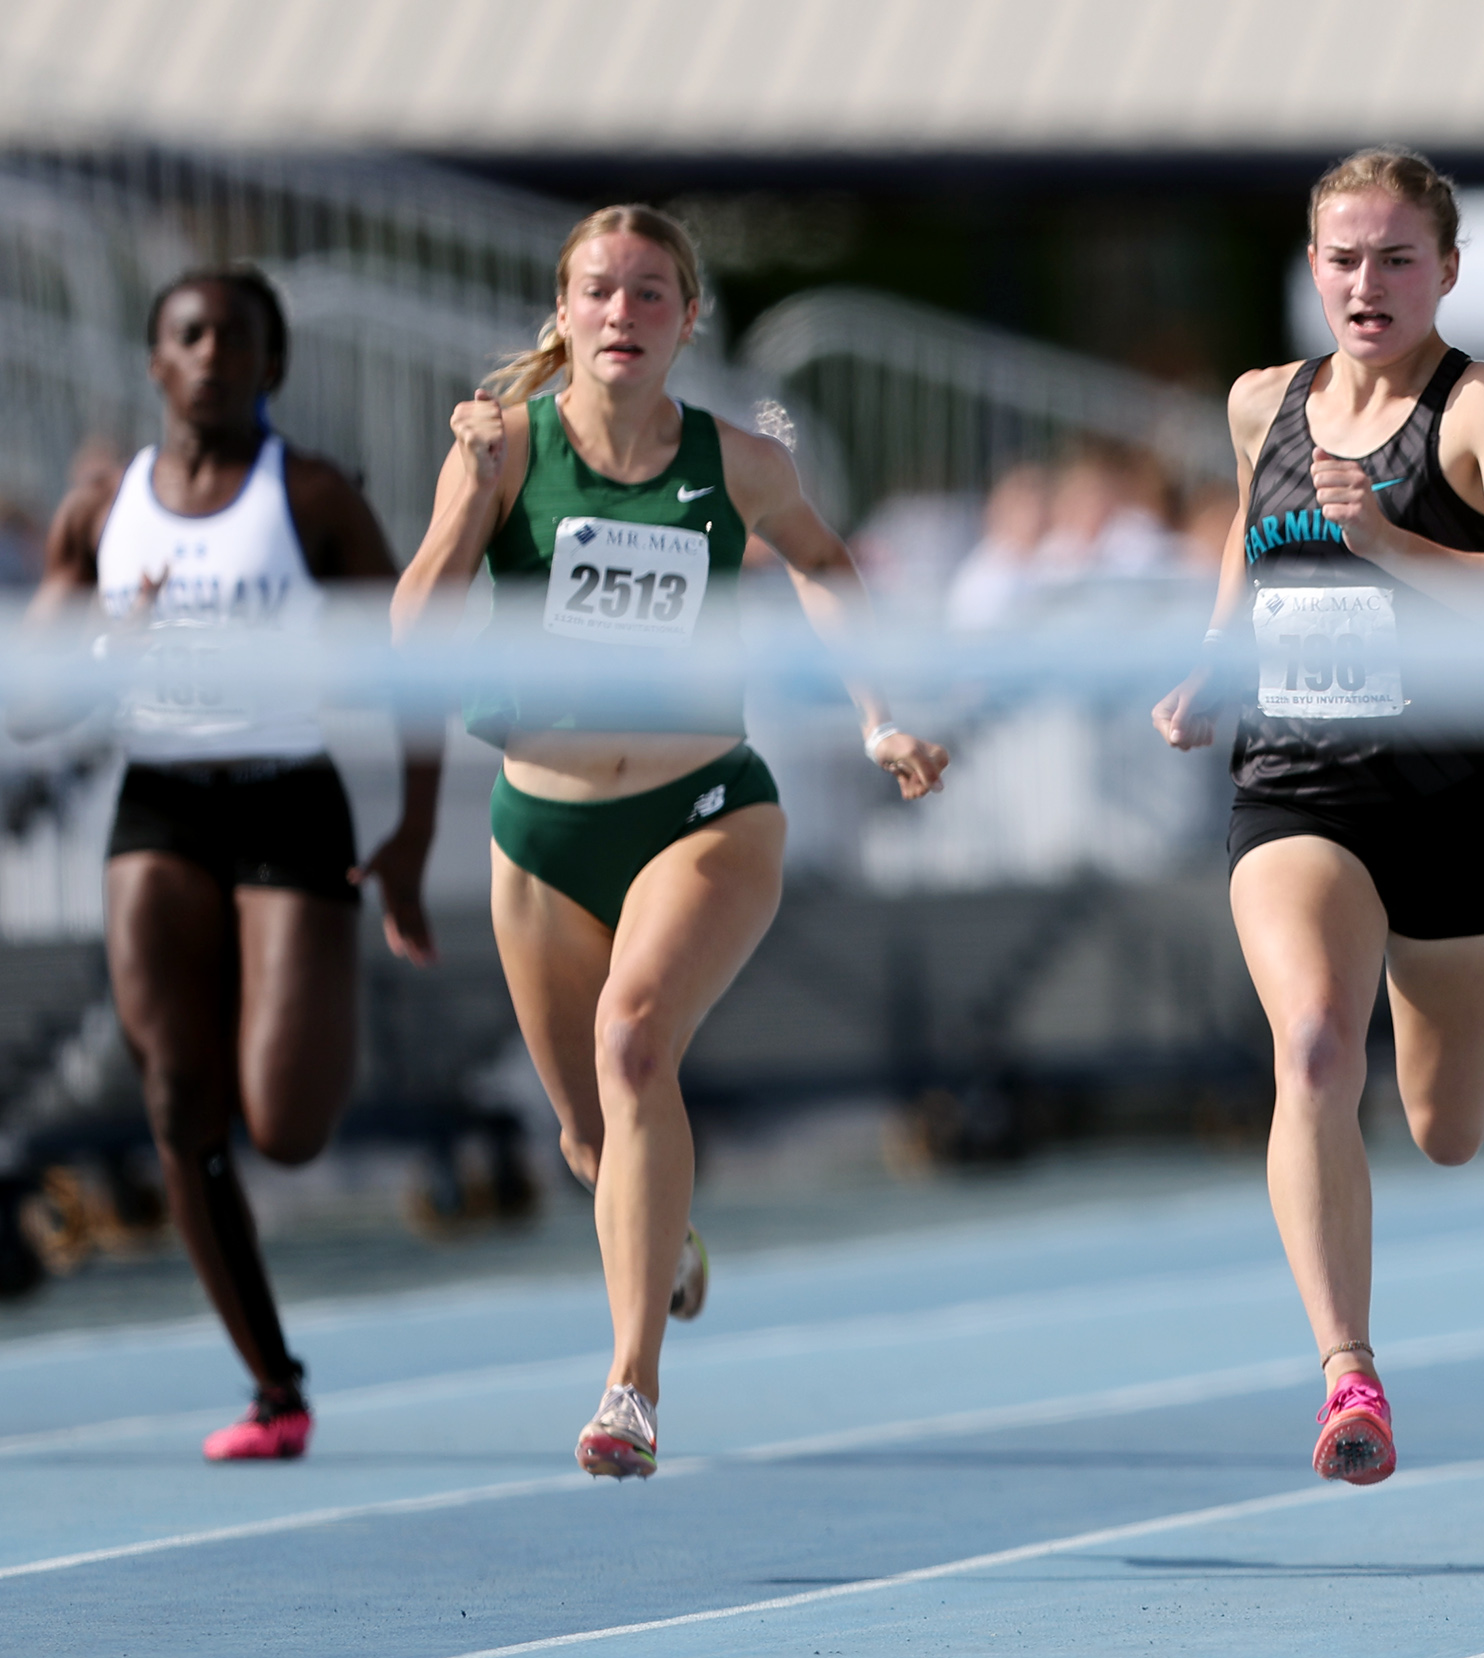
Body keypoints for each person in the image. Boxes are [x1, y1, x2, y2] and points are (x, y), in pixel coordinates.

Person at [390, 206, 948, 1479]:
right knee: (592, 1138)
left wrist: (881, 713)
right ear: (566, 310)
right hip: (540, 831)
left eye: (652, 295)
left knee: (635, 1038)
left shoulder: (740, 462)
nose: (624, 315)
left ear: (690, 320)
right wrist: (464, 498)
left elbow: (820, 561)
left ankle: (630, 1385)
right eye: (602, 292)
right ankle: (666, 1235)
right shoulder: (505, 452)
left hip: (704, 811)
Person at [1151, 146, 1484, 1485]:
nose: (1367, 282)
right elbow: (1244, 528)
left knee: (1446, 1126)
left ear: (1446, 271)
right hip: (1296, 783)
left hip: (1451, 796)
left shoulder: (1481, 405)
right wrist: (1217, 657)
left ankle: (1474, 1049)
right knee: (1319, 1048)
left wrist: (1395, 546)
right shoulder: (1261, 400)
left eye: (1397, 257)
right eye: (1343, 257)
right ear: (1311, 268)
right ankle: (1349, 1369)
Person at [11, 267, 439, 1460]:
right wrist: (109, 639)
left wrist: (408, 834)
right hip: (159, 809)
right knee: (176, 1104)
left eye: (236, 339)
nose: (211, 355)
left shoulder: (313, 501)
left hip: (288, 802)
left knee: (288, 1125)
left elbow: (418, 667)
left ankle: (285, 1011)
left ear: (273, 366)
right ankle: (273, 1385)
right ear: (156, 362)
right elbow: (35, 706)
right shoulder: (100, 511)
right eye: (189, 336)